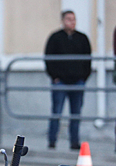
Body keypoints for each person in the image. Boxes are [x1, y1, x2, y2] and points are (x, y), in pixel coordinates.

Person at [44, 10, 91, 150]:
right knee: (56, 112)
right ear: (63, 21)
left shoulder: (82, 38)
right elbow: (48, 59)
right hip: (60, 82)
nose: (72, 22)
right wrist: (55, 77)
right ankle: (52, 142)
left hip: (77, 82)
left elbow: (88, 60)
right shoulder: (55, 38)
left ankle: (74, 142)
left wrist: (83, 77)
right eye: (69, 19)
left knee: (75, 114)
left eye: (74, 19)